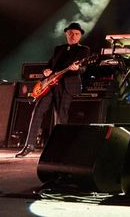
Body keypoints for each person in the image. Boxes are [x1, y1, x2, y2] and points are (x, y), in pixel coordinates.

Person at [15, 22, 91, 158]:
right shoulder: (58, 49)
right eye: (71, 33)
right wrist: (45, 71)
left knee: (61, 116)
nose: (73, 36)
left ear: (80, 36)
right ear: (66, 34)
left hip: (66, 85)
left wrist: (78, 68)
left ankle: (59, 149)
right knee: (37, 111)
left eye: (76, 34)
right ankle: (29, 145)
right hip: (50, 85)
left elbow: (84, 68)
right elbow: (49, 65)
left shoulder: (83, 50)